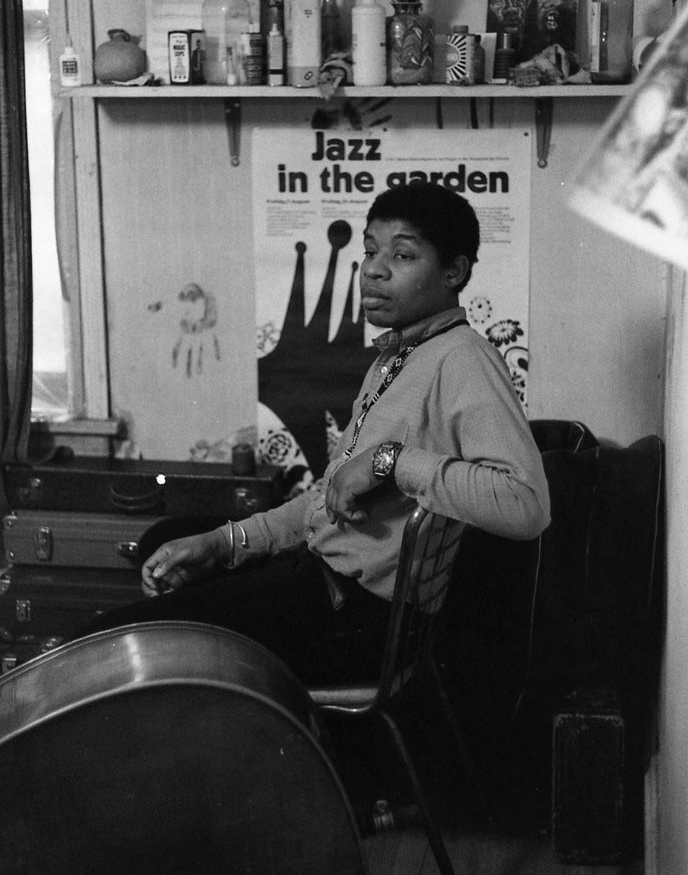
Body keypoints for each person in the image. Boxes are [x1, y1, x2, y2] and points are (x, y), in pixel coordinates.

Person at [75, 182, 550, 684]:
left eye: (403, 255)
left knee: (107, 649)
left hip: (353, 620)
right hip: (320, 577)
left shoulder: (464, 359)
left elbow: (525, 505)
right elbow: (327, 497)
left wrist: (390, 461)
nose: (373, 269)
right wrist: (225, 543)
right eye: (370, 250)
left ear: (454, 271)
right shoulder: (400, 355)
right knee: (169, 541)